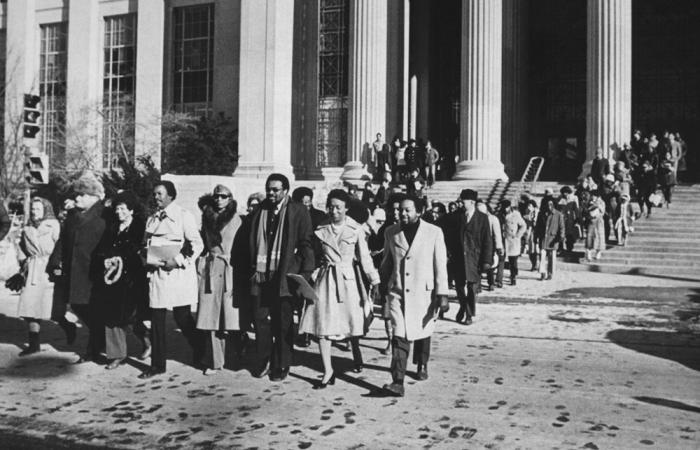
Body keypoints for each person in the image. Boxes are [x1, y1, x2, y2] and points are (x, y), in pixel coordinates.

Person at [299, 190, 379, 389]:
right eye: (331, 207)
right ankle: (328, 371)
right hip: (326, 280)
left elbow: (364, 257)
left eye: (338, 207)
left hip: (347, 281)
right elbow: (315, 254)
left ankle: (356, 351)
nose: (334, 211)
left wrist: (374, 280)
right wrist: (312, 273)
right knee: (323, 326)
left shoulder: (356, 229)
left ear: (346, 209)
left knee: (350, 323)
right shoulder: (321, 228)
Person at [244, 173, 315, 382]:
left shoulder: (298, 211)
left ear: (286, 190)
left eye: (275, 190)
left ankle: (282, 363)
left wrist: (304, 274)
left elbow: (306, 244)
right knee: (259, 319)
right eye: (269, 189)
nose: (271, 193)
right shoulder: (260, 211)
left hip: (284, 276)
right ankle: (264, 358)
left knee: (282, 322)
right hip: (261, 275)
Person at [380, 195, 449, 397]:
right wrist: (382, 285)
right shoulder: (391, 232)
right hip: (398, 292)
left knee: (421, 331)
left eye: (407, 210)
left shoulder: (434, 232)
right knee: (399, 334)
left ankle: (421, 363)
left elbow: (440, 265)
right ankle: (398, 381)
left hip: (423, 293)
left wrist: (442, 293)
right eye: (400, 210)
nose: (402, 213)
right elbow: (387, 262)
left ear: (418, 211)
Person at [139, 181, 204, 379]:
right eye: (154, 193)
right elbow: (145, 244)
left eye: (160, 193)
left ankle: (200, 349)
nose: (156, 197)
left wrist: (177, 261)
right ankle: (157, 365)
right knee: (156, 319)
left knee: (182, 318)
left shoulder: (184, 216)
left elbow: (196, 244)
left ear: (171, 196)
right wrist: (146, 257)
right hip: (157, 275)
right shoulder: (152, 219)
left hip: (178, 276)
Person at [48, 174, 109, 363]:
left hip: (93, 271)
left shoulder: (105, 215)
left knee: (93, 310)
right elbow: (62, 241)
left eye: (80, 195)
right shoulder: (74, 216)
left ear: (93, 197)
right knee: (76, 305)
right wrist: (55, 263)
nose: (76, 199)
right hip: (72, 271)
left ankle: (94, 350)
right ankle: (97, 344)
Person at [196, 185, 246, 375]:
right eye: (216, 196)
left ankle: (240, 344)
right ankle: (215, 361)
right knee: (211, 317)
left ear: (230, 199)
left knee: (231, 318)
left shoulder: (238, 219)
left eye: (223, 196)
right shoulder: (206, 217)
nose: (219, 199)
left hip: (231, 269)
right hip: (212, 268)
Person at [100, 191, 150, 369]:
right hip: (114, 278)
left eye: (122, 208)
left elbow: (140, 249)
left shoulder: (140, 227)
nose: (118, 212)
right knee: (112, 315)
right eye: (116, 208)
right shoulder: (113, 227)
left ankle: (146, 340)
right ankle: (116, 355)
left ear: (131, 210)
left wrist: (123, 258)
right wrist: (105, 258)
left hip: (133, 278)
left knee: (132, 316)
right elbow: (103, 247)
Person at [15, 198, 60, 356]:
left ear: (46, 210)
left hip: (49, 268)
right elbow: (21, 246)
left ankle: (69, 327)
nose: (35, 211)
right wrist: (22, 263)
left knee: (54, 308)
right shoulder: (27, 227)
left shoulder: (53, 225)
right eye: (33, 209)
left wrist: (58, 266)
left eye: (38, 209)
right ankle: (34, 344)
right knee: (29, 308)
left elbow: (60, 246)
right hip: (32, 268)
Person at [446, 189, 493, 325]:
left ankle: (469, 314)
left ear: (472, 202)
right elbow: (449, 236)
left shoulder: (483, 218)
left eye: (463, 200)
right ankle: (463, 306)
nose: (460, 202)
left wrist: (487, 261)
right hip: (458, 257)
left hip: (474, 259)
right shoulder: (456, 216)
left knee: (472, 288)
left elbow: (487, 240)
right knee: (460, 287)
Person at [534, 197, 565, 280]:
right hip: (543, 238)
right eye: (547, 204)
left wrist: (560, 238)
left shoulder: (558, 214)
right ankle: (542, 273)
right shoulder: (541, 214)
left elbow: (562, 228)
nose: (549, 206)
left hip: (553, 239)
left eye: (551, 204)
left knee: (552, 258)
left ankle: (550, 273)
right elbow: (537, 227)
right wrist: (535, 237)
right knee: (542, 256)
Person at [477, 200, 503, 290]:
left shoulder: (493, 219)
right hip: (478, 243)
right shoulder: (476, 219)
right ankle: (478, 284)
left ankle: (491, 282)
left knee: (489, 265)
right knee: (478, 265)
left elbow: (497, 234)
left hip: (489, 244)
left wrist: (499, 247)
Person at [499, 200, 526, 286]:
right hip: (503, 239)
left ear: (510, 207)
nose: (505, 209)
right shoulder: (500, 214)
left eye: (506, 207)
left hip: (513, 240)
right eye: (504, 207)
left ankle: (513, 276)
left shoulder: (516, 215)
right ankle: (499, 278)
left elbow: (523, 225)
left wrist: (518, 235)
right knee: (502, 259)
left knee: (513, 260)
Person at [584, 191, 606, 261]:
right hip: (591, 221)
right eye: (592, 195)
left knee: (599, 237)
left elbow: (602, 211)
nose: (593, 197)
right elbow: (586, 210)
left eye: (594, 196)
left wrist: (597, 205)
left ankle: (598, 252)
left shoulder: (602, 202)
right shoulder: (589, 202)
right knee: (590, 236)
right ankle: (588, 253)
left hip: (599, 221)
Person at [558, 186, 581, 252]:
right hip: (562, 219)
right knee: (561, 233)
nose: (565, 194)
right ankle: (560, 247)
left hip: (570, 220)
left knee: (569, 234)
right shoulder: (560, 199)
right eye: (564, 193)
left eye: (566, 193)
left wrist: (577, 219)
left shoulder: (573, 199)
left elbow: (576, 210)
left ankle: (569, 248)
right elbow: (558, 209)